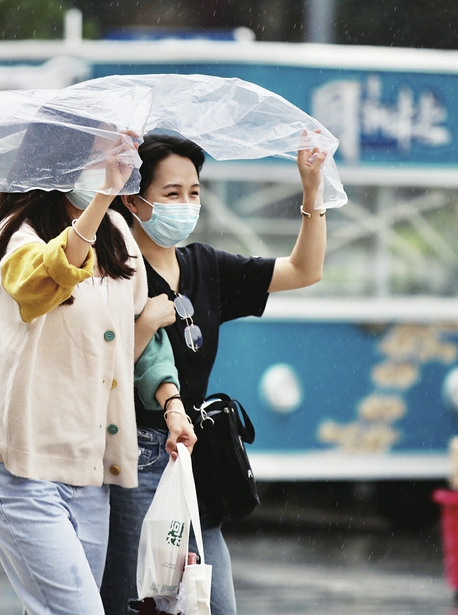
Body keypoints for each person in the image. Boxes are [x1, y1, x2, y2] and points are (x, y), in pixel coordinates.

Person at [0, 126, 196, 615]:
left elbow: (140, 334)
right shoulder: (18, 235)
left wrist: (171, 403)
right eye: (99, 158)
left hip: (91, 474)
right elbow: (46, 278)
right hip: (22, 473)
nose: (110, 168)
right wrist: (101, 202)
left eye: (115, 158)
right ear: (58, 164)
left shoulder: (117, 235)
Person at [101, 133, 327, 615]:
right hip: (134, 458)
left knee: (215, 604)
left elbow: (304, 271)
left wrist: (312, 193)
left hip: (191, 457)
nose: (186, 204)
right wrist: (144, 324)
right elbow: (101, 371)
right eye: (171, 194)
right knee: (136, 602)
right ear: (133, 200)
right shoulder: (113, 271)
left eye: (194, 192)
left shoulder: (205, 265)